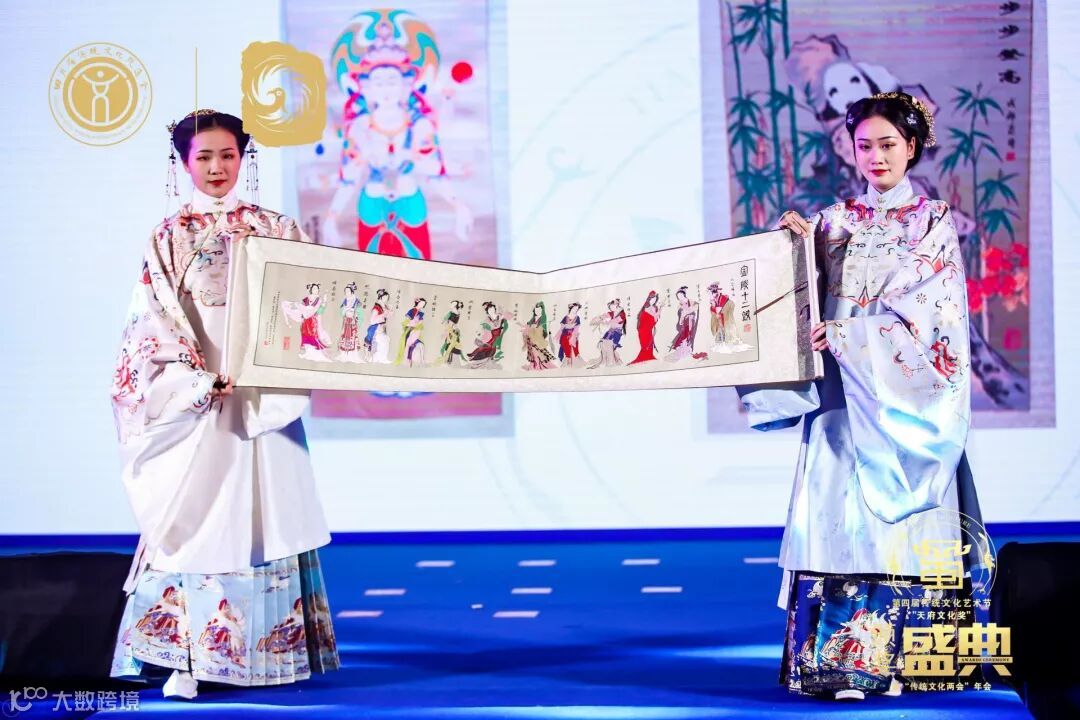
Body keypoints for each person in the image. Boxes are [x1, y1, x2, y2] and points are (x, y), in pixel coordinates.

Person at [747, 92, 981, 701]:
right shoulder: (833, 220)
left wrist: (852, 334)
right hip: (840, 395)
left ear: (912, 147)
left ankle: (899, 662)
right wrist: (786, 249)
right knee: (836, 514)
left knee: (894, 520)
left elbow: (935, 317)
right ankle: (833, 664)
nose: (876, 156)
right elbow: (798, 290)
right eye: (864, 146)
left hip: (900, 398)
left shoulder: (931, 221)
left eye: (888, 145)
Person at [109, 109, 338, 699]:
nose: (216, 168)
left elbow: (311, 301)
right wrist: (194, 381)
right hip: (200, 397)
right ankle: (187, 656)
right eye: (204, 157)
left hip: (260, 395)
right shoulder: (168, 237)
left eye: (227, 155)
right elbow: (151, 323)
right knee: (195, 515)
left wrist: (272, 358)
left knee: (266, 516)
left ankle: (270, 653)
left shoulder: (276, 229)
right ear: (184, 163)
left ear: (243, 158)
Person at [629, 291, 661, 364]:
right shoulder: (647, 307)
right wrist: (660, 309)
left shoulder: (654, 308)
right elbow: (654, 318)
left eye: (655, 299)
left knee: (649, 343)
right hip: (643, 329)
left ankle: (648, 356)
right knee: (645, 344)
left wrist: (659, 309)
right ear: (649, 299)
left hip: (648, 329)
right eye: (652, 299)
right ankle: (644, 358)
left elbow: (655, 319)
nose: (653, 301)